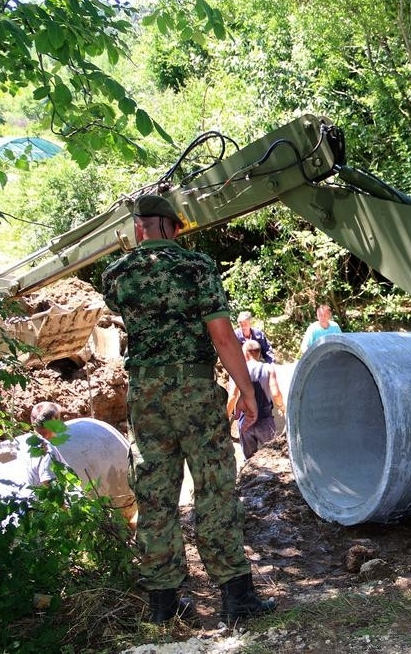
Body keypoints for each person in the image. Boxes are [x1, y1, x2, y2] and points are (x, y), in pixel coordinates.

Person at [101, 194, 275, 625]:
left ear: (139, 227)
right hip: (195, 391)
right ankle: (236, 598)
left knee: (155, 494)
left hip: (146, 395)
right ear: (172, 226)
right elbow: (221, 335)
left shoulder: (116, 274)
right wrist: (247, 392)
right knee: (214, 488)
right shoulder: (197, 268)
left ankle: (163, 606)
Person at [227, 339, 284, 459]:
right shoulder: (268, 369)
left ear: (245, 353)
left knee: (249, 461)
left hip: (245, 422)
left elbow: (232, 396)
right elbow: (276, 393)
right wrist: (282, 407)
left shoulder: (238, 370)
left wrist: (226, 416)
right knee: (271, 458)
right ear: (258, 353)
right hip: (265, 420)